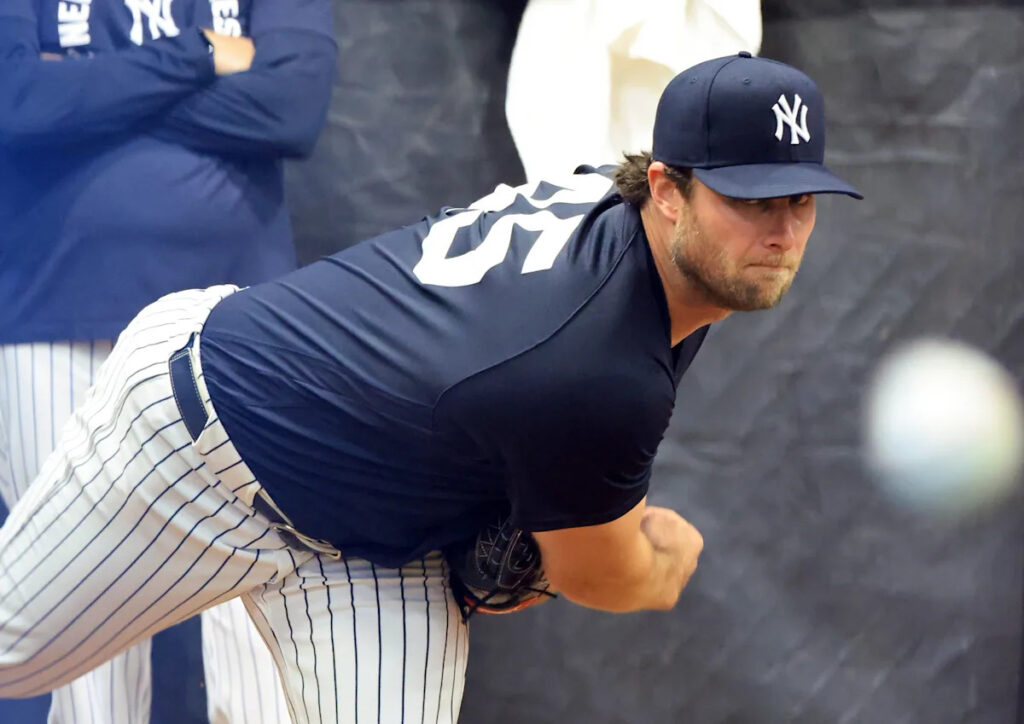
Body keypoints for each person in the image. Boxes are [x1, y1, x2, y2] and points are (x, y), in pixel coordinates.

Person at [0, 53, 861, 723]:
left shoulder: (635, 227)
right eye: (750, 198)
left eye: (801, 197)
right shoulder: (601, 363)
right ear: (668, 189)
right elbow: (602, 574)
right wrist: (658, 561)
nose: (782, 228)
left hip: (376, 545)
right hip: (204, 441)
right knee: (12, 654)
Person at [0, 0, 336, 722]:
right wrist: (199, 56)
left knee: (258, 612)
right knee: (77, 630)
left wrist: (90, 95)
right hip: (55, 312)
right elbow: (16, 102)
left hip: (237, 327)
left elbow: (293, 108)